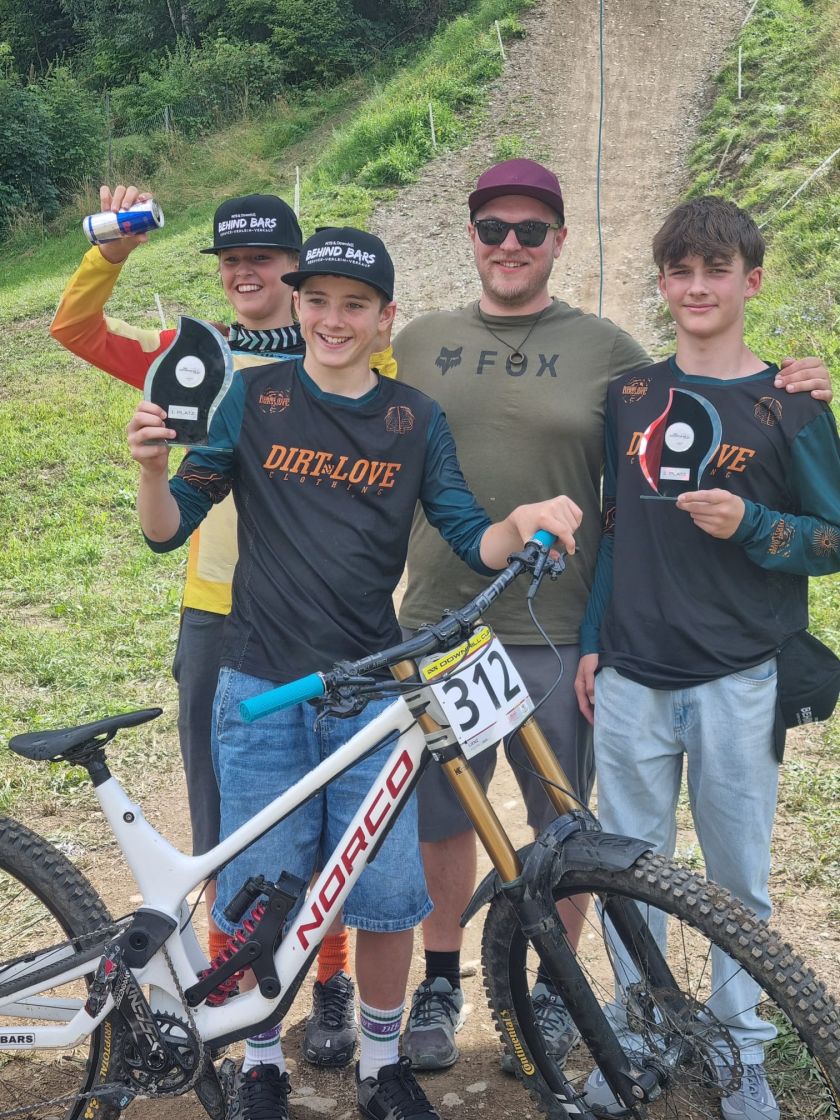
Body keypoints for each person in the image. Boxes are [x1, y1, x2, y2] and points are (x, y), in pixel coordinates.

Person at [127, 225, 584, 1120]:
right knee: (257, 893)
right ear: (297, 306)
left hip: (373, 692)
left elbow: (471, 535)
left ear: (385, 318)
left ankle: (381, 1065)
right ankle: (260, 1061)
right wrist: (151, 471)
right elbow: (167, 528)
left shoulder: (414, 419)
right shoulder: (253, 398)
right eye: (318, 301)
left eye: (354, 305)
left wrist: (521, 519)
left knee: (383, 897)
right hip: (260, 686)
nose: (333, 320)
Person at [389, 159, 833, 1073]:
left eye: (531, 230)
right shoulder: (449, 346)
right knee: (509, 833)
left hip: (647, 650)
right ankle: (538, 1009)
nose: (511, 244)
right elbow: (330, 359)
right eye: (494, 229)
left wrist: (765, 495)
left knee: (636, 853)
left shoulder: (692, 382)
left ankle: (680, 1035)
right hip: (518, 639)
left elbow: (815, 520)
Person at [50, 185, 394, 1068]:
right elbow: (76, 330)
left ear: (297, 269)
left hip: (330, 610)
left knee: (333, 811)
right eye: (231, 260)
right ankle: (237, 1001)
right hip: (219, 613)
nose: (245, 273)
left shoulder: (345, 351)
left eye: (263, 260)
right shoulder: (190, 353)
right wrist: (110, 251)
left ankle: (329, 980)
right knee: (227, 819)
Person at [574, 195, 840, 1118]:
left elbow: (833, 538)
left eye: (715, 270)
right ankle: (643, 1039)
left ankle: (739, 1054)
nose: (697, 287)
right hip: (633, 676)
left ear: (750, 281)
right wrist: (595, 642)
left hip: (740, 677)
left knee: (736, 886)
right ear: (662, 282)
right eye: (680, 271)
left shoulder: (794, 404)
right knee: (627, 873)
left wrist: (754, 524)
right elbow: (614, 528)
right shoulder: (630, 398)